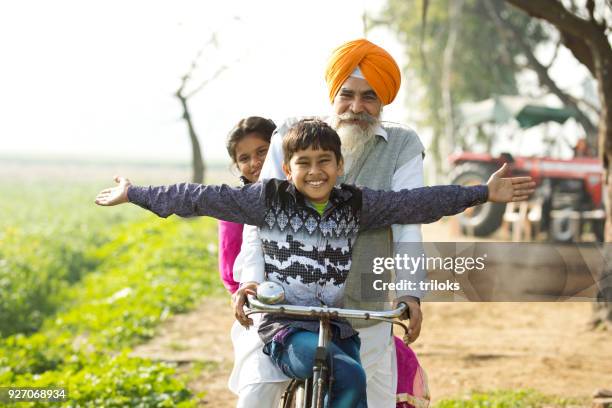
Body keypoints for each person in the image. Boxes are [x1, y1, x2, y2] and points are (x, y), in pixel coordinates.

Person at [95, 119, 535, 408]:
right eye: (303, 163)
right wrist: (136, 194)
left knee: (351, 376)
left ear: (340, 166)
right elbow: (197, 197)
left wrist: (481, 193)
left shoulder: (356, 205)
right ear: (287, 170)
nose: (315, 171)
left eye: (325, 161)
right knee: (343, 373)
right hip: (285, 327)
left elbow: (417, 203)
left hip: (336, 324)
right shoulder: (266, 201)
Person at [230, 38, 428, 407]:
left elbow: (407, 223)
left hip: (363, 309)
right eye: (347, 94)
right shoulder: (292, 133)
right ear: (333, 93)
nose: (356, 107)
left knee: (375, 400)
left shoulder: (402, 144)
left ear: (383, 101)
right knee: (256, 395)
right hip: (284, 308)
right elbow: (260, 219)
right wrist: (252, 280)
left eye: (369, 96)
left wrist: (410, 293)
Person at [218, 116, 276, 294]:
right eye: (244, 158)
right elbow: (230, 272)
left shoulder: (311, 194)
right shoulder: (233, 209)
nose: (255, 163)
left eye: (262, 151)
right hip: (260, 302)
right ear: (237, 165)